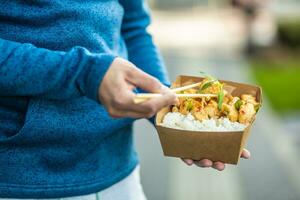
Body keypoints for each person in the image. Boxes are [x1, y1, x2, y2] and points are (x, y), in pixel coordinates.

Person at [0, 0, 250, 199]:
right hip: (20, 181)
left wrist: (168, 111)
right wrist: (85, 73)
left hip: (120, 174)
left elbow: (133, 27)